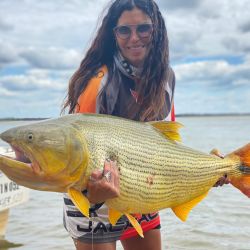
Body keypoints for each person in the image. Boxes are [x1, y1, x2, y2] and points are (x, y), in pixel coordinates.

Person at [61, 0, 228, 249]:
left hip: (142, 194)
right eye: (124, 30)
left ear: (156, 30)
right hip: (92, 204)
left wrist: (206, 170)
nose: (134, 38)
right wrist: (91, 195)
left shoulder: (166, 78)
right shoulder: (98, 82)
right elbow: (77, 155)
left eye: (143, 28)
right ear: (113, 34)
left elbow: (163, 144)